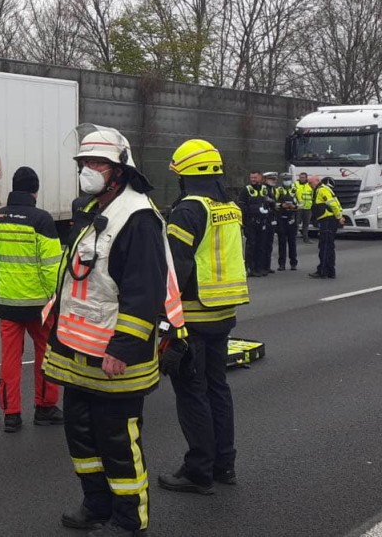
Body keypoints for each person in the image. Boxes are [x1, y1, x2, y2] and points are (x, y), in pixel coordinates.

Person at [44, 126, 169, 537]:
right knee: (81, 437)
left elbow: (145, 292)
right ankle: (95, 505)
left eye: (97, 163)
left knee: (117, 442)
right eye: (84, 164)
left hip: (115, 359)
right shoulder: (93, 209)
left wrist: (124, 347)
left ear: (120, 169)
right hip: (77, 354)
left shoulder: (139, 218)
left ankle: (129, 520)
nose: (88, 171)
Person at [159, 139, 251, 497]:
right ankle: (223, 464)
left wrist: (166, 321)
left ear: (186, 174)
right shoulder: (228, 207)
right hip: (223, 312)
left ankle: (198, 470)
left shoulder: (187, 211)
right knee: (217, 389)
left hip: (193, 317)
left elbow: (174, 269)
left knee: (192, 394)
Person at [0, 166, 63, 433]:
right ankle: (44, 408)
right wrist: (57, 298)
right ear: (35, 191)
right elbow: (51, 266)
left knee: (9, 360)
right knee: (46, 355)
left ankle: (11, 414)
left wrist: (0, 286)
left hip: (8, 303)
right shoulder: (42, 220)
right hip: (39, 305)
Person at [239, 171, 275, 277]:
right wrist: (254, 209)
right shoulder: (247, 190)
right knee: (251, 245)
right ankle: (250, 268)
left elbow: (272, 202)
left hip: (263, 222)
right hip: (251, 222)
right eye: (251, 177)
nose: (253, 179)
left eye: (255, 177)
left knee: (261, 245)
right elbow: (241, 206)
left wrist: (268, 207)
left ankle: (260, 267)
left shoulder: (265, 189)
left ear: (260, 178)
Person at [309, 175, 342, 279]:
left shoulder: (322, 190)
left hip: (327, 220)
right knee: (329, 246)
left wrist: (339, 217)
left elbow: (332, 204)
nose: (310, 185)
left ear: (317, 181)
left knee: (325, 246)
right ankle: (330, 271)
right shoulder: (325, 189)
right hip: (328, 220)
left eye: (311, 183)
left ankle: (323, 271)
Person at [274, 173, 299, 271]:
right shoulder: (278, 190)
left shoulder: (295, 190)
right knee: (282, 242)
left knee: (292, 242)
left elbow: (303, 204)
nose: (287, 181)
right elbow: (274, 204)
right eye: (285, 179)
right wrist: (281, 205)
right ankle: (281, 264)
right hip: (281, 218)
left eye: (288, 179)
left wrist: (294, 207)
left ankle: (293, 263)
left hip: (292, 218)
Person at [295, 171, 314, 244]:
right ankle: (293, 238)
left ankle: (306, 238)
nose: (301, 179)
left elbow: (312, 195)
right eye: (300, 177)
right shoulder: (295, 185)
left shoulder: (310, 185)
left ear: (306, 178)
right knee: (296, 224)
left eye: (303, 177)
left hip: (308, 208)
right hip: (298, 208)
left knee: (306, 224)